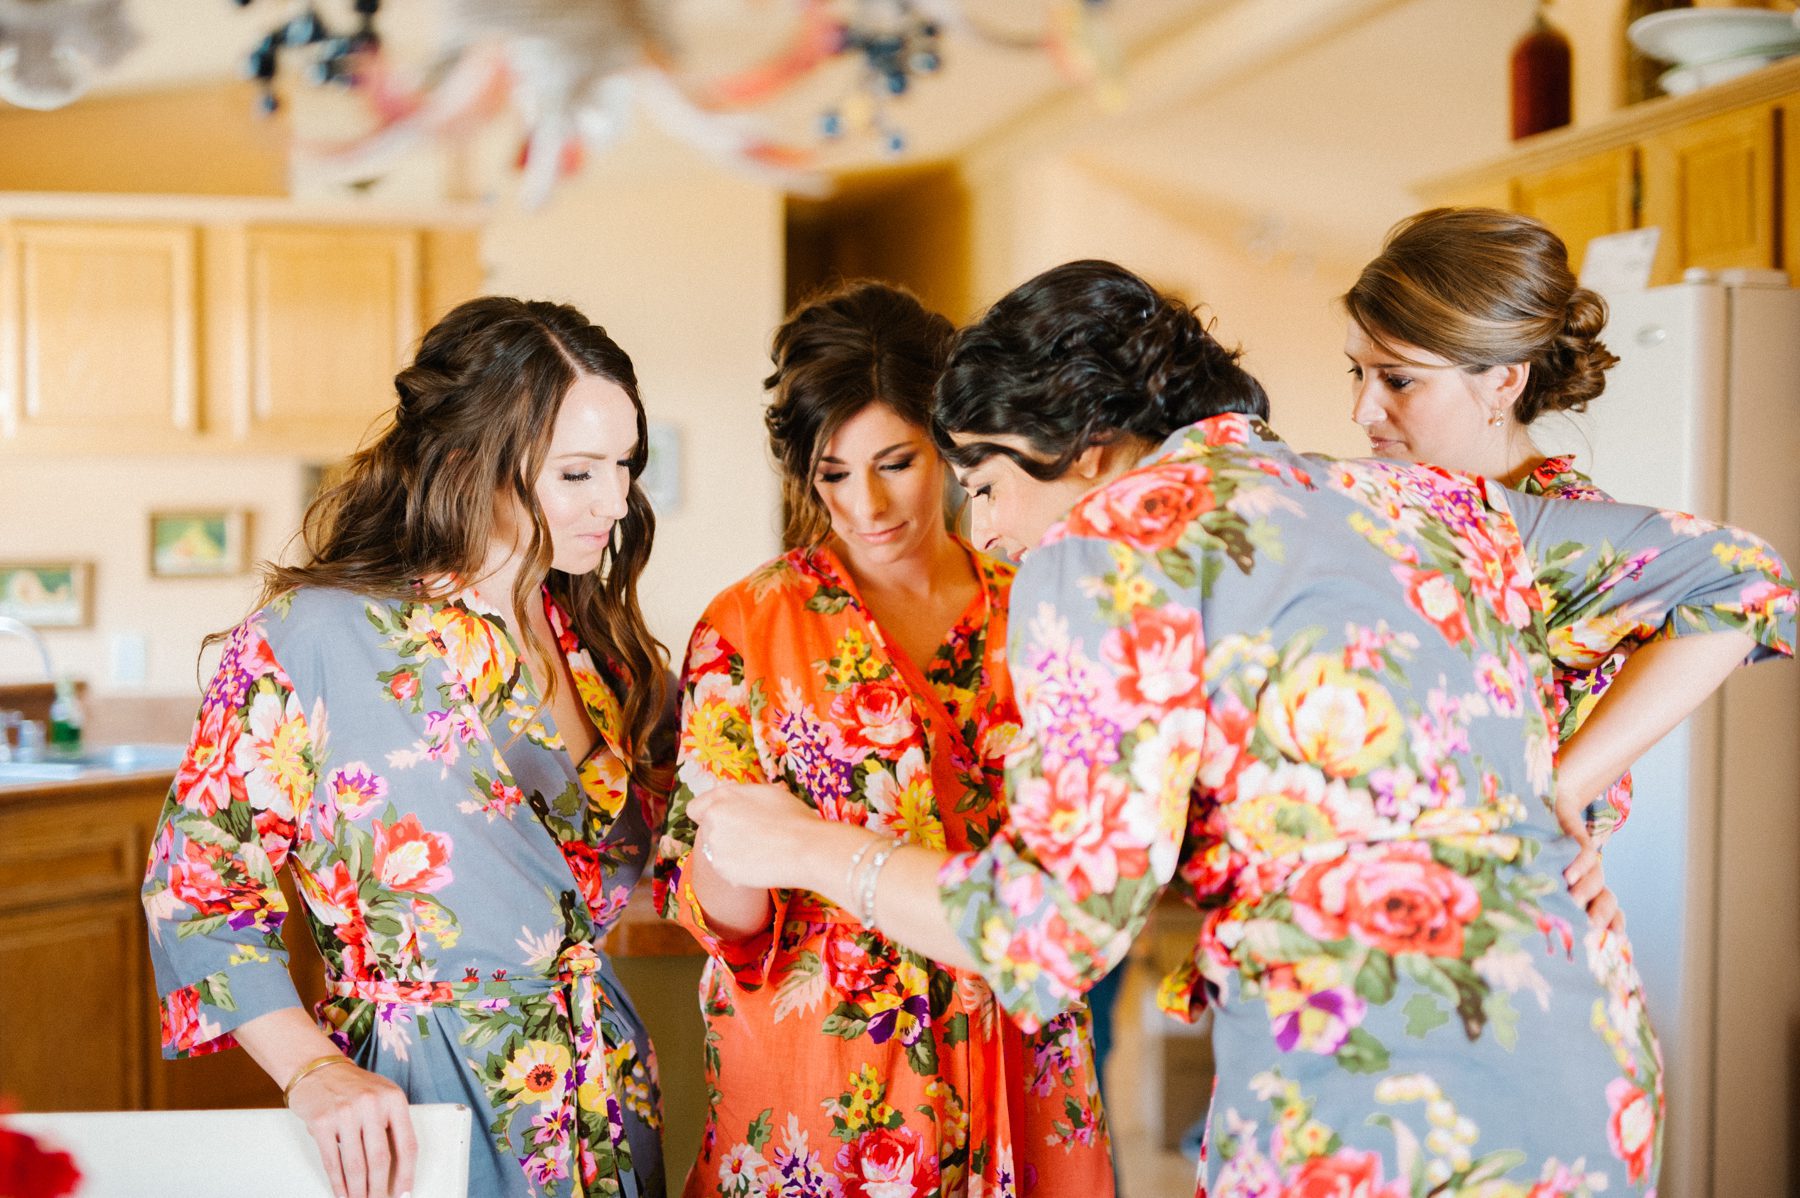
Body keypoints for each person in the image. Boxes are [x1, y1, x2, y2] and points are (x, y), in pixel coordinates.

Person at [684, 260, 1797, 1195]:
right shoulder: (1421, 500)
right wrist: (1556, 789)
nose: (992, 528)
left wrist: (807, 847)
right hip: (1586, 1075)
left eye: (985, 478)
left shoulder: (1104, 552)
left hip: (1367, 1100)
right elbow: (1744, 580)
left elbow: (1047, 935)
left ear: (1082, 447)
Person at [142, 297, 671, 1198]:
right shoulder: (316, 637)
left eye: (623, 467)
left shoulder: (588, 636)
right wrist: (313, 1072)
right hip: (420, 1107)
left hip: (608, 1105)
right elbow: (195, 891)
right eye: (578, 473)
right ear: (467, 461)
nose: (616, 504)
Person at [655, 281, 1113, 1197]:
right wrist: (738, 847)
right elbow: (723, 922)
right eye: (833, 474)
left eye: (896, 462)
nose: (866, 503)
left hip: (1014, 1033)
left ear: (949, 441)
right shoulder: (750, 626)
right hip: (827, 1064)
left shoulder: (1045, 608)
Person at [1344, 206, 1634, 855]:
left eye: (1397, 379)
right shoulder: (1380, 503)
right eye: (1357, 373)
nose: (1362, 408)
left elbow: (1722, 608)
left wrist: (1561, 800)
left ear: (1503, 380)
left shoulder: (1571, 530)